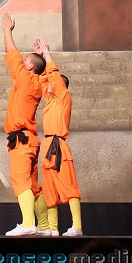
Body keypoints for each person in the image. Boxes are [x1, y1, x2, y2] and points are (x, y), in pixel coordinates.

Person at [0, 12, 52, 237]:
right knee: (33, 186)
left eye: (26, 60)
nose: (23, 61)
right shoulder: (38, 82)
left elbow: (11, 53)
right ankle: (44, 225)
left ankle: (29, 223)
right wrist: (41, 55)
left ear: (30, 66)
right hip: (30, 140)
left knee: (21, 183)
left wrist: (7, 31)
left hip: (21, 141)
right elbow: (42, 70)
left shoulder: (24, 78)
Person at [34, 37, 83, 236]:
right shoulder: (51, 100)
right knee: (49, 189)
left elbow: (52, 77)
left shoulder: (63, 98)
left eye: (53, 84)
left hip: (58, 145)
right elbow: (42, 79)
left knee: (69, 187)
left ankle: (77, 227)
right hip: (48, 145)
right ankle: (52, 229)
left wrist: (47, 53)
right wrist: (39, 57)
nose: (48, 85)